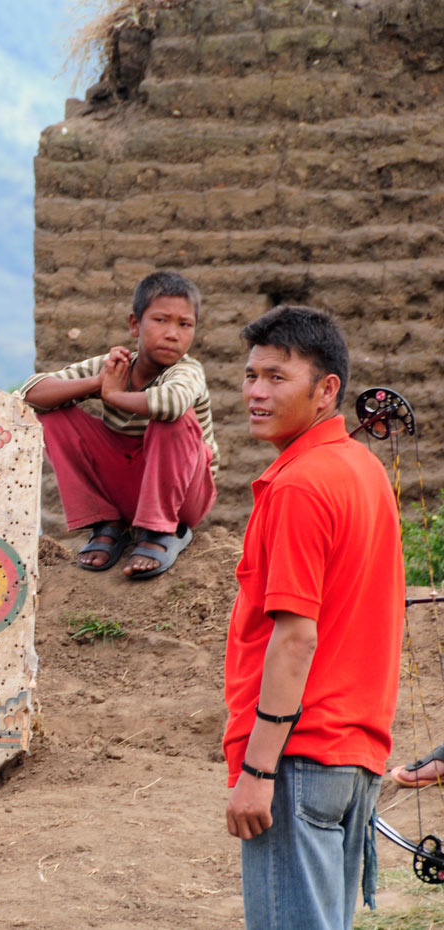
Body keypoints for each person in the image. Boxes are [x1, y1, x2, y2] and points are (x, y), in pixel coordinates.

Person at [223, 306, 404, 930]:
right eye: (250, 375)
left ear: (327, 390)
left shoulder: (299, 486)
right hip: (352, 756)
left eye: (276, 377)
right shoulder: (363, 471)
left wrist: (257, 769)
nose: (255, 392)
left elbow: (296, 638)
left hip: (298, 758)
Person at [16, 271, 216, 578]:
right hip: (126, 489)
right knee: (53, 415)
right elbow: (30, 394)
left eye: (184, 324)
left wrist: (113, 394)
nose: (173, 333)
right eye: (161, 320)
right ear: (135, 324)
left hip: (185, 497)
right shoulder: (115, 367)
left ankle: (162, 530)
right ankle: (107, 523)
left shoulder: (187, 371)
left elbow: (172, 403)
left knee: (172, 419)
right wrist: (98, 382)